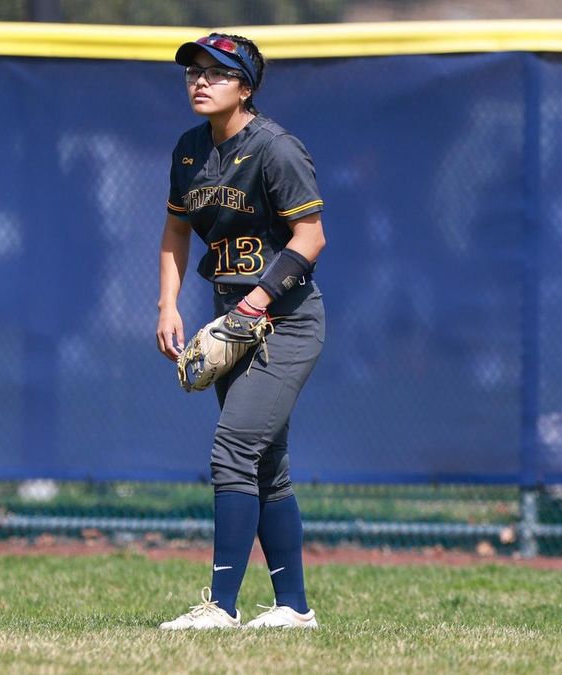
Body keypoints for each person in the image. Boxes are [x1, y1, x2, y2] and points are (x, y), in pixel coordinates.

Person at [155, 33, 327, 630]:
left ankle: (220, 607)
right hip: (233, 322)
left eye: (216, 73)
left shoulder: (275, 149)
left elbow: (311, 238)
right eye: (193, 72)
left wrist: (253, 306)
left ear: (246, 87)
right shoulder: (187, 152)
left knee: (233, 449)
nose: (200, 81)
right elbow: (177, 231)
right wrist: (168, 304)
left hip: (286, 323)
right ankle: (293, 609)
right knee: (264, 465)